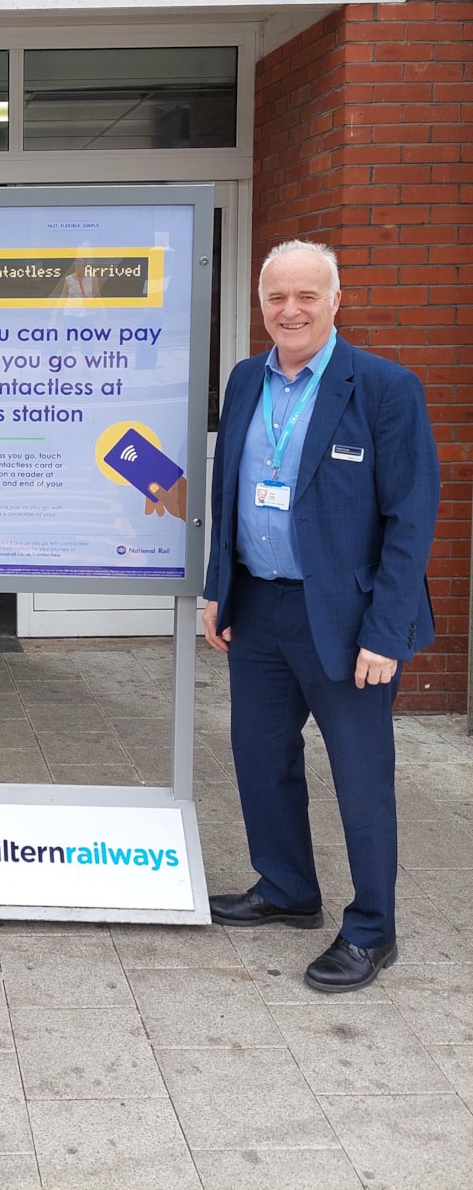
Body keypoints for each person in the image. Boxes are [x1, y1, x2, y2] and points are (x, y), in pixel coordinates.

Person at [204, 240, 439, 992]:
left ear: (336, 301)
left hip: (347, 618)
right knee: (259, 757)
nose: (290, 310)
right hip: (260, 605)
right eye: (277, 297)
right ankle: (286, 889)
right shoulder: (246, 380)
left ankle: (373, 930)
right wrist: (219, 589)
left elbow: (411, 518)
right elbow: (227, 492)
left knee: (361, 776)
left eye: (307, 296)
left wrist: (386, 632)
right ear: (261, 303)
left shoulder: (383, 388)